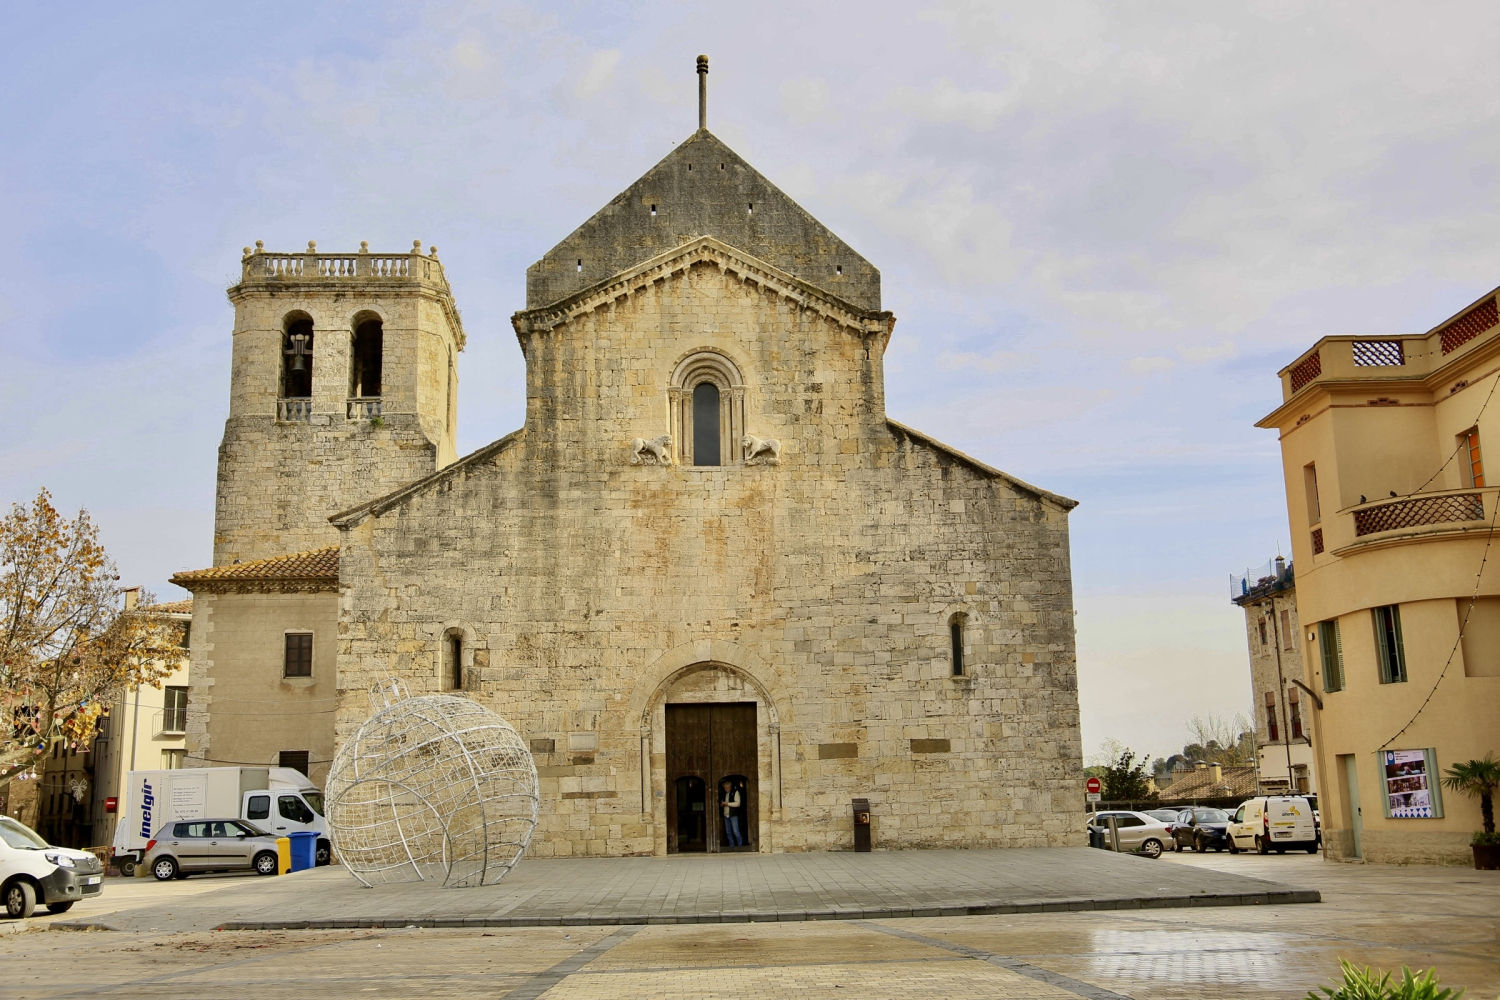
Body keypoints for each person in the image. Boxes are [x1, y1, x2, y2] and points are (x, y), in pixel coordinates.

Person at [720, 779, 743, 848]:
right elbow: (723, 803)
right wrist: (722, 804)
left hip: (733, 815)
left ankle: (740, 846)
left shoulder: (735, 792)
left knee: (735, 831)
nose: (726, 789)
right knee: (728, 832)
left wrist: (727, 803)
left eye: (727, 787)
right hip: (726, 815)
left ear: (730, 787)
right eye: (725, 788)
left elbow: (738, 804)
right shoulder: (724, 794)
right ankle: (731, 845)